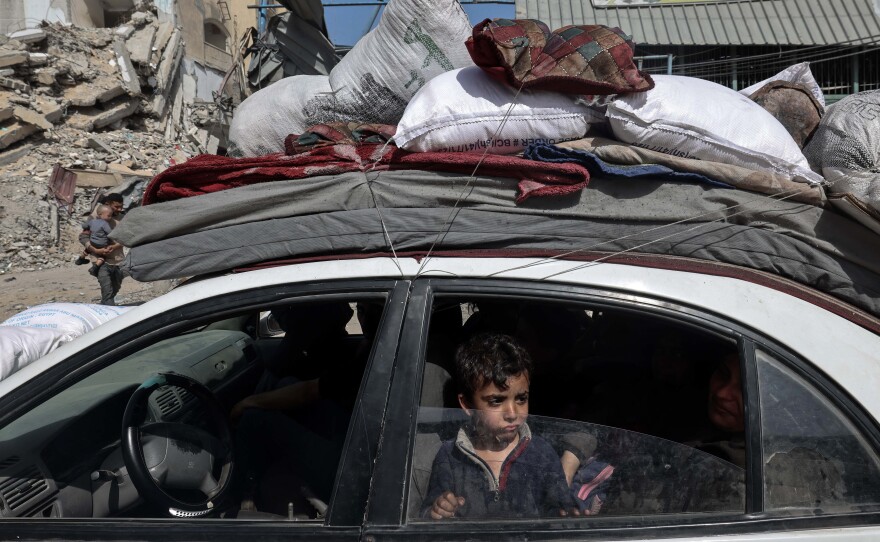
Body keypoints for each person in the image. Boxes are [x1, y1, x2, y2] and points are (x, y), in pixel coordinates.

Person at [231, 301, 383, 512]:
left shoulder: (380, 356)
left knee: (253, 419)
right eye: (361, 310)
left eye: (370, 311)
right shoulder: (379, 347)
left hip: (356, 465)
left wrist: (249, 402)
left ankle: (243, 503)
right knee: (286, 385)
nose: (363, 318)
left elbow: (309, 392)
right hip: (360, 439)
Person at [422, 333, 578, 519]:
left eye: (521, 399)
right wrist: (438, 510)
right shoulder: (450, 456)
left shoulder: (541, 453)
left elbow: (561, 511)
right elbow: (429, 514)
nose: (513, 414)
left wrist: (570, 517)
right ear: (467, 405)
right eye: (496, 401)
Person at [78, 193, 126, 305]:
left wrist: (114, 246)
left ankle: (105, 306)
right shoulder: (95, 217)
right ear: (107, 204)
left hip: (117, 260)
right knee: (107, 288)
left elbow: (126, 238)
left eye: (121, 206)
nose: (120, 209)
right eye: (116, 207)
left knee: (115, 287)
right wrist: (95, 250)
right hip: (99, 259)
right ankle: (109, 312)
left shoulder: (122, 219)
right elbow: (83, 237)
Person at [76, 204, 114, 277]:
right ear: (100, 214)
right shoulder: (105, 224)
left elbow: (85, 226)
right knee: (103, 256)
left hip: (92, 242)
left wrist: (83, 225)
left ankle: (81, 258)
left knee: (88, 249)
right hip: (102, 244)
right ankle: (95, 267)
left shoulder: (92, 221)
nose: (110, 218)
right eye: (108, 216)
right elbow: (110, 233)